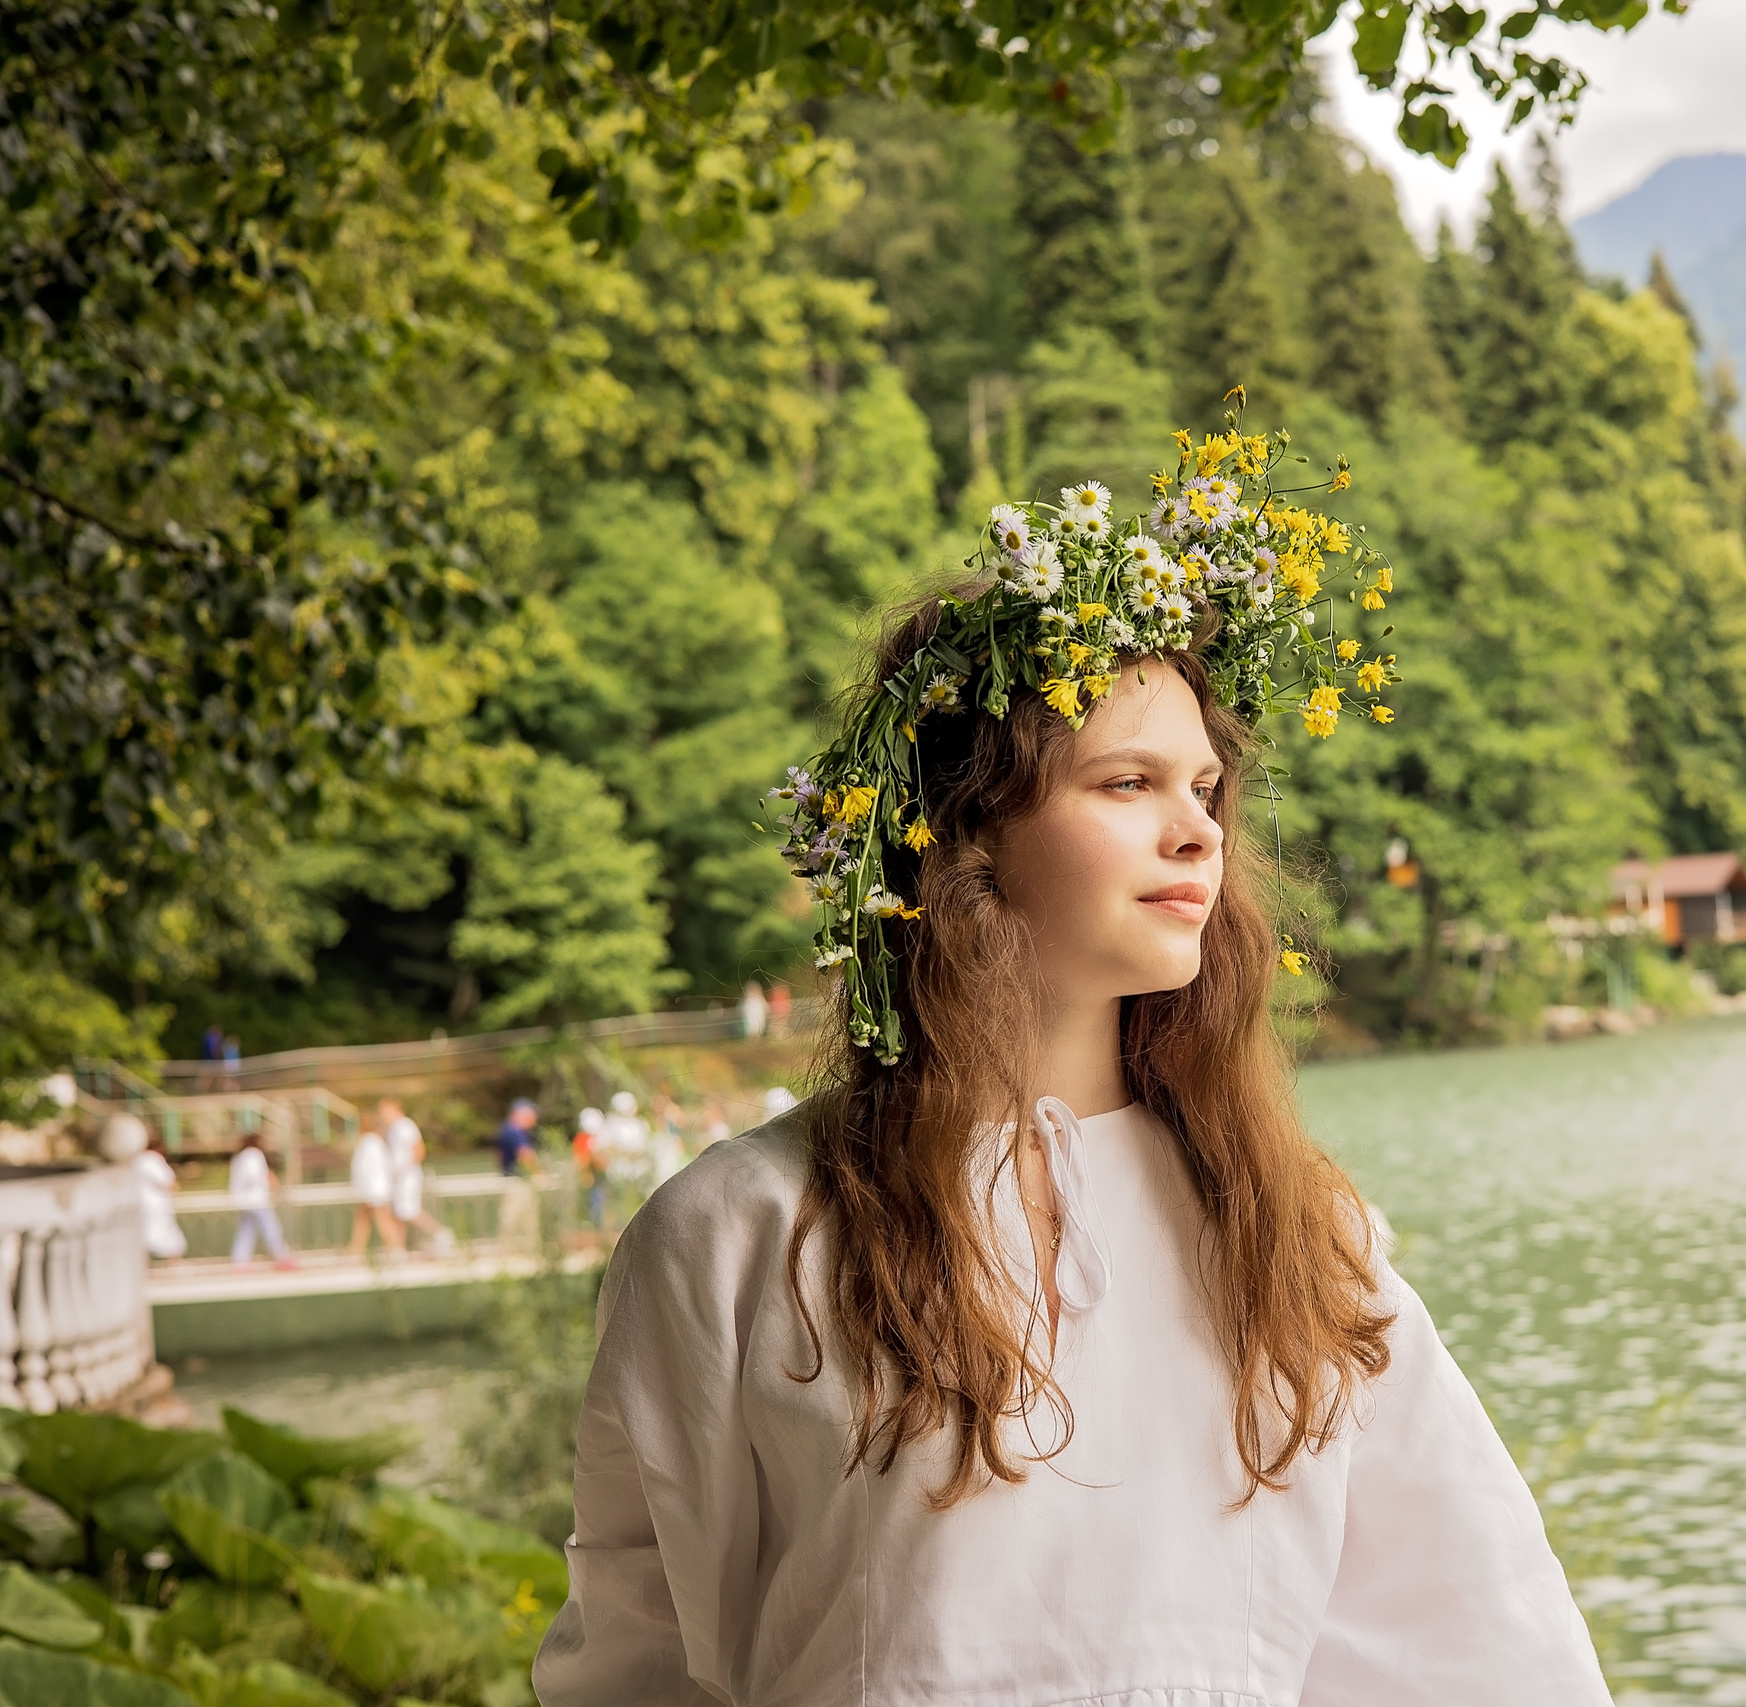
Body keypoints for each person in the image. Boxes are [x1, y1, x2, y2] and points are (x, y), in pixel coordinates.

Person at [536, 539, 1605, 1704]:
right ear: (968, 826)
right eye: (1127, 783)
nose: (1198, 831)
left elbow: (1485, 1646)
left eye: (1205, 789)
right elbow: (634, 1671)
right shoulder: (736, 1234)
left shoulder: (1301, 1235)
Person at [381, 1098, 451, 1253]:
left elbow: (419, 1150)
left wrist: (402, 1170)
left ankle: (441, 1234)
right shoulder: (392, 1129)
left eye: (386, 1110)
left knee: (409, 1211)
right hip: (398, 1179)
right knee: (398, 1213)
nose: (383, 1115)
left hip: (408, 1178)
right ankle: (398, 1248)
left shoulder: (405, 1126)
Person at [227, 1133, 293, 1268]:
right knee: (271, 1228)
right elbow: (253, 1175)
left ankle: (240, 1260)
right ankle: (282, 1257)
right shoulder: (253, 1154)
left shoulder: (239, 1156)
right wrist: (269, 1179)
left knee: (246, 1231)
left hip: (243, 1201)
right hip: (256, 1200)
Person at [346, 1124, 402, 1256]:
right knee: (363, 1218)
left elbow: (365, 1169)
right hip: (373, 1189)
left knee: (381, 1218)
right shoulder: (374, 1143)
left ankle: (395, 1247)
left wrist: (364, 1189)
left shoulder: (369, 1143)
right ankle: (356, 1247)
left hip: (373, 1189)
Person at [135, 1134, 188, 1261]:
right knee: (161, 1239)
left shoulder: (140, 1160)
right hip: (156, 1207)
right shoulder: (151, 1160)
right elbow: (165, 1183)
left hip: (149, 1206)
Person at [572, 1107, 609, 1231]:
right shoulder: (584, 1138)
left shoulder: (598, 1138)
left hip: (598, 1177)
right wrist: (586, 1172)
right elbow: (581, 1159)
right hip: (590, 1177)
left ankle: (596, 1225)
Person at [491, 1099, 539, 1177]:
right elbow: (524, 1155)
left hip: (508, 1175)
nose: (534, 1118)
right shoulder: (514, 1132)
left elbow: (498, 1157)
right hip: (517, 1177)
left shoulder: (504, 1129)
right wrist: (538, 1174)